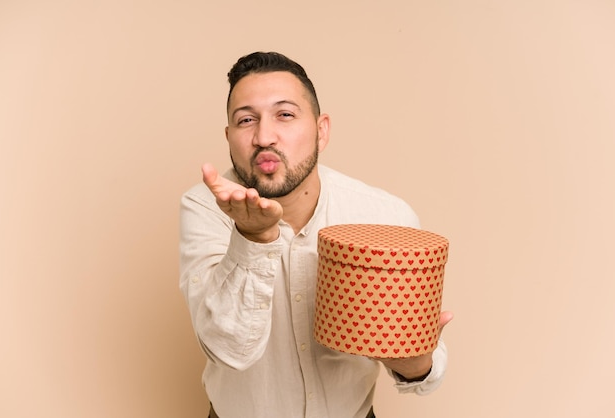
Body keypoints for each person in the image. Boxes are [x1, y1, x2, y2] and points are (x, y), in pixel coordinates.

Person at [179, 51, 452, 418]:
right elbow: (227, 349)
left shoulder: (385, 216)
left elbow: (423, 374)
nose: (263, 136)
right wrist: (253, 238)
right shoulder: (205, 207)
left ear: (321, 131)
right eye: (246, 120)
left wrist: (415, 361)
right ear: (229, 138)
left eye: (285, 115)